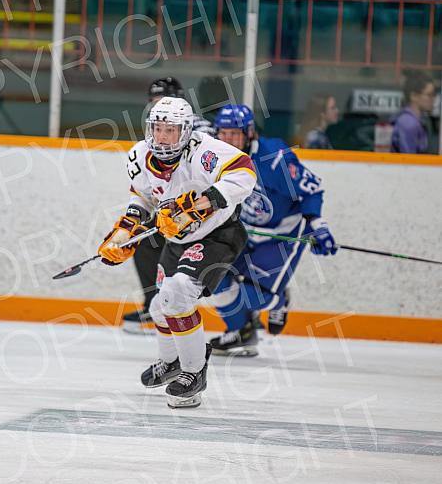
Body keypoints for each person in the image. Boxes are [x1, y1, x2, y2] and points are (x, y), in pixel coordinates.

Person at [98, 97, 256, 408]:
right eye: (157, 129)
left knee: (178, 292)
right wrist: (123, 233)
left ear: (184, 131)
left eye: (170, 130)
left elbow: (245, 173)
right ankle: (171, 363)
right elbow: (143, 196)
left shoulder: (204, 150)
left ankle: (194, 372)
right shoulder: (139, 156)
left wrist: (201, 205)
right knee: (160, 306)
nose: (162, 136)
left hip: (217, 235)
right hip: (179, 239)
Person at [207, 104, 337, 357]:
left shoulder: (275, 158)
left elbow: (311, 190)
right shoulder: (215, 158)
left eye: (235, 133)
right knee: (213, 278)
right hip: (242, 231)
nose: (229, 139)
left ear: (250, 133)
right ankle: (241, 332)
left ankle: (279, 300)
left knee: (252, 297)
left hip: (281, 235)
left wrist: (318, 226)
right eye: (223, 133)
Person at [122, 77, 214, 334]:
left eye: (161, 100)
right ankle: (155, 304)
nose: (157, 106)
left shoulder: (200, 131)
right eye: (153, 101)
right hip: (173, 210)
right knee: (141, 239)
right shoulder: (156, 131)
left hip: (206, 210)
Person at [391, 71, 435, 154]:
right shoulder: (409, 123)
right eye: (429, 95)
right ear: (414, 96)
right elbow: (410, 161)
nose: (433, 99)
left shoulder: (414, 121)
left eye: (433, 95)